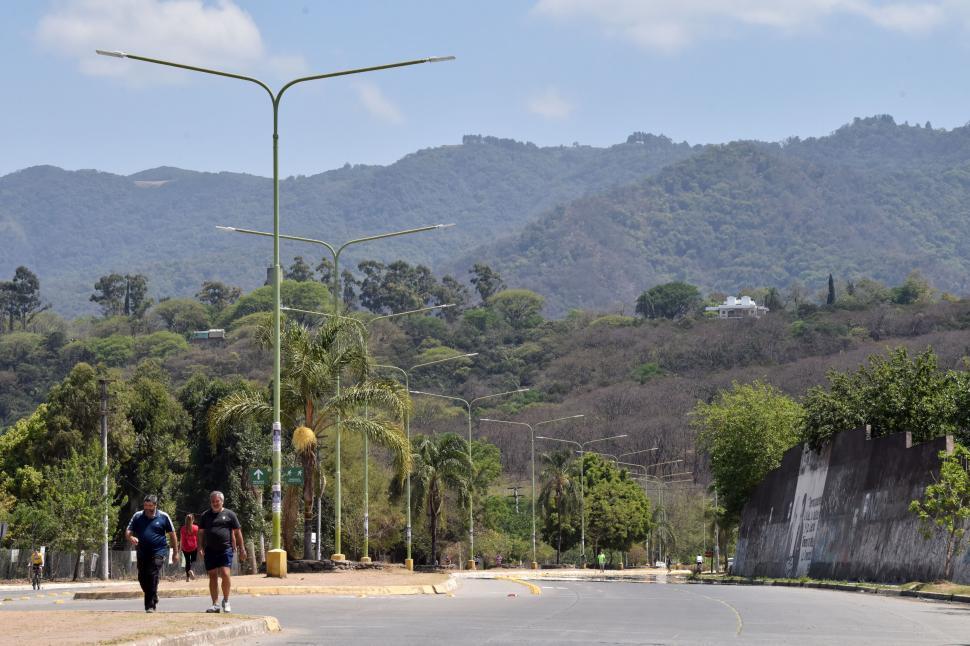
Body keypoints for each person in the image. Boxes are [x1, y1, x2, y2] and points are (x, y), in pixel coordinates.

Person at [125, 495, 178, 613]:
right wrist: (131, 537)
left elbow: (172, 534)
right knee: (142, 578)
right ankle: (153, 594)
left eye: (150, 506)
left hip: (159, 551)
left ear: (155, 505)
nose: (147, 508)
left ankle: (150, 605)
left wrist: (175, 552)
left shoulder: (164, 516)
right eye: (145, 506)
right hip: (142, 552)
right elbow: (128, 531)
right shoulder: (137, 516)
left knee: (152, 574)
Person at [198, 491, 246, 614]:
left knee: (225, 573)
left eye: (217, 501)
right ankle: (215, 604)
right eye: (213, 501)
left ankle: (226, 600)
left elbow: (237, 532)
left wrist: (242, 549)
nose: (215, 503)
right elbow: (201, 533)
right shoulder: (205, 515)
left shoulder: (230, 514)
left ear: (222, 501)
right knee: (213, 575)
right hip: (210, 550)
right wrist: (200, 547)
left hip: (225, 549)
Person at [180, 513, 199, 582]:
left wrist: (180, 548)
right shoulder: (196, 528)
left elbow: (181, 539)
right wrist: (200, 547)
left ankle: (187, 578)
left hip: (185, 548)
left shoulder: (182, 528)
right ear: (193, 520)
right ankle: (191, 570)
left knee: (187, 562)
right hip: (194, 546)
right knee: (193, 560)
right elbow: (198, 538)